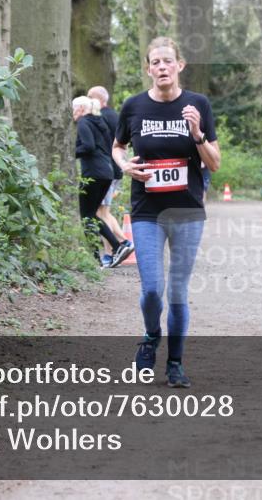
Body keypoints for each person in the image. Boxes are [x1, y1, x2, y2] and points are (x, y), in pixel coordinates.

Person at [112, 37, 220, 388]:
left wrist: (197, 133)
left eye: (167, 61)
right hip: (146, 210)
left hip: (187, 210)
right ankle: (150, 336)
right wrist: (124, 166)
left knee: (176, 291)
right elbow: (118, 146)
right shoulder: (133, 107)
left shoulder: (197, 104)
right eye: (155, 62)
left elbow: (215, 164)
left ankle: (175, 363)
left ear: (179, 65)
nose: (161, 67)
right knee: (152, 291)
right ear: (148, 69)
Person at [72, 96, 134, 268]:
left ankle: (97, 259)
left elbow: (88, 146)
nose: (73, 113)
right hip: (107, 173)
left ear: (82, 109)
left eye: (74, 109)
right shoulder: (100, 123)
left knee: (86, 217)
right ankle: (117, 247)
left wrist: (71, 152)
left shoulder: (84, 123)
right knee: (92, 215)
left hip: (92, 173)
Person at [87, 86, 128, 266]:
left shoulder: (101, 118)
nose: (87, 101)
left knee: (100, 212)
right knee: (103, 211)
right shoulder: (114, 116)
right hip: (115, 169)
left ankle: (119, 246)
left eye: (90, 98)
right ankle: (117, 248)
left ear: (99, 100)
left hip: (106, 171)